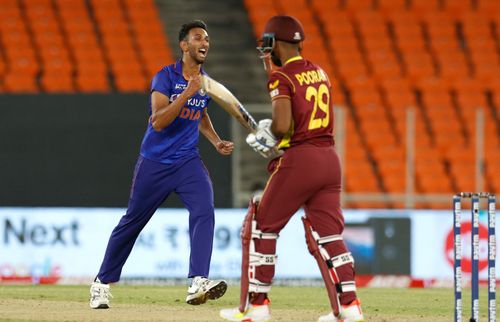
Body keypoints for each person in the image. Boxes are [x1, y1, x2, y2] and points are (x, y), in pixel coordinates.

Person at [220, 15, 364, 322]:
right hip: (329, 160)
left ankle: (257, 307)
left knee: (261, 225)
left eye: (267, 44)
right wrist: (279, 136)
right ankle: (349, 307)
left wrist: (272, 134)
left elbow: (285, 124)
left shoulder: (281, 77)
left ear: (275, 44)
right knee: (329, 236)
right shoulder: (320, 72)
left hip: (301, 160)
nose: (265, 51)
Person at [89, 20, 233, 309]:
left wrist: (216, 140)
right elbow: (158, 121)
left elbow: (200, 113)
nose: (204, 43)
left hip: (187, 161)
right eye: (197, 38)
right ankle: (101, 283)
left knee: (204, 211)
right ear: (184, 45)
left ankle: (197, 281)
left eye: (207, 39)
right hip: (155, 163)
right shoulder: (165, 77)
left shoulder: (204, 82)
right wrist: (187, 93)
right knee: (132, 222)